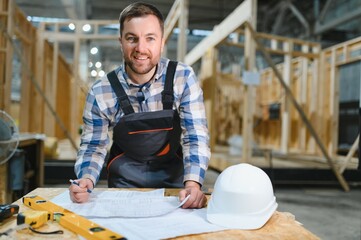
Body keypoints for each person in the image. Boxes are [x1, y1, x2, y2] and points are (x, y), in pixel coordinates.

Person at [69, 2, 210, 209]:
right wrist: (86, 181)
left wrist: (193, 184)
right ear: (121, 42)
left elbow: (195, 135)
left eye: (150, 38)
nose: (140, 48)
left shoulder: (183, 78)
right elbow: (93, 146)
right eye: (131, 38)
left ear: (161, 43)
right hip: (123, 185)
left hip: (174, 183)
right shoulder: (101, 91)